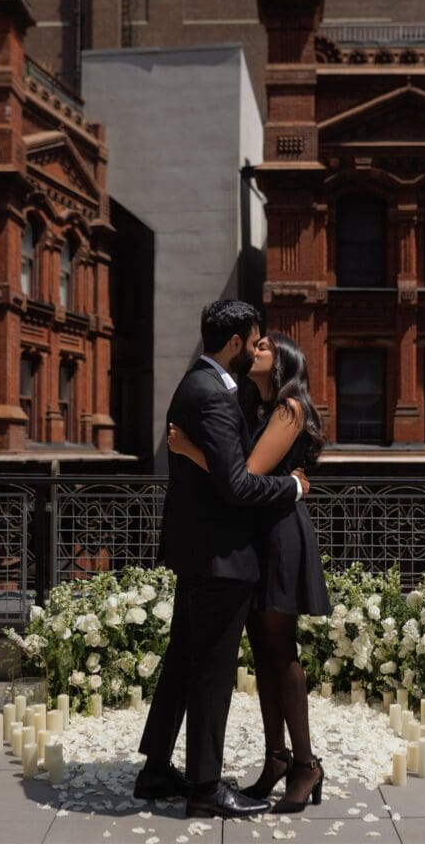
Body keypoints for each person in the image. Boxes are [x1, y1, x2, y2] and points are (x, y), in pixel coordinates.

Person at [134, 301, 310, 820]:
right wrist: (293, 488)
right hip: (219, 555)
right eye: (254, 339)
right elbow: (236, 483)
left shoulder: (204, 385)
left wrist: (194, 454)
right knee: (210, 670)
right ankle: (205, 788)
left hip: (203, 550)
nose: (257, 347)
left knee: (186, 659)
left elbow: (227, 469)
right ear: (234, 342)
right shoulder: (213, 393)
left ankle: (156, 769)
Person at [167, 331, 330, 814]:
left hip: (280, 534)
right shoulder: (258, 409)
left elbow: (249, 473)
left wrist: (191, 452)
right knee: (263, 652)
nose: (252, 351)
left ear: (283, 362)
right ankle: (276, 759)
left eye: (263, 347)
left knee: (281, 652)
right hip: (257, 532)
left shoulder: (289, 408)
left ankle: (305, 764)